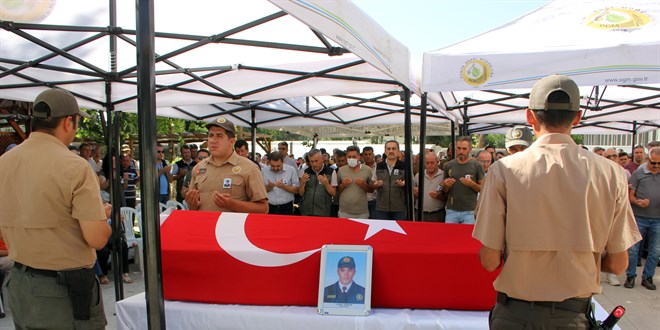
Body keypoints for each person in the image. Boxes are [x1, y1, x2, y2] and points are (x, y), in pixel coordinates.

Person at [473, 75, 641, 329]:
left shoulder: (503, 170)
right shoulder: (611, 173)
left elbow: (489, 261)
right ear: (578, 117)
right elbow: (619, 265)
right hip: (572, 316)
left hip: (514, 314)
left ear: (530, 117)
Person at [0, 88, 112, 329]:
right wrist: (100, 216)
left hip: (20, 282)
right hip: (62, 291)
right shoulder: (75, 166)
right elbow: (97, 238)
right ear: (68, 122)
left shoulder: (4, 163)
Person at [185, 117, 268, 213]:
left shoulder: (249, 168)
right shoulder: (199, 168)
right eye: (211, 135)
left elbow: (263, 208)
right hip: (205, 226)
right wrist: (192, 204)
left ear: (232, 141)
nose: (213, 140)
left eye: (219, 136)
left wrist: (232, 204)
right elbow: (193, 208)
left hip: (233, 227)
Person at [624, 146, 660, 290]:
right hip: (639, 217)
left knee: (655, 251)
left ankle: (648, 277)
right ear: (647, 160)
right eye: (653, 163)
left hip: (658, 219)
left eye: (659, 163)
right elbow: (630, 196)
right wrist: (637, 201)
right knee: (633, 250)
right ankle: (630, 276)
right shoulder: (638, 174)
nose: (656, 166)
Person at [441, 136, 484, 224]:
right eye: (458, 148)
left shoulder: (477, 165)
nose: (461, 152)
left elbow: (483, 189)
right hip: (451, 210)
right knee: (450, 237)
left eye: (464, 149)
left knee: (467, 237)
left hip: (470, 211)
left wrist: (472, 184)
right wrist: (446, 185)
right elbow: (444, 190)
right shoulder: (448, 165)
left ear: (470, 149)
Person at [373, 140, 407, 220]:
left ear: (398, 151)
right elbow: (372, 183)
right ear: (385, 151)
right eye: (388, 149)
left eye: (394, 148)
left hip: (399, 208)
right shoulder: (378, 166)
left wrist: (404, 184)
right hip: (381, 208)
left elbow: (411, 184)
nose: (391, 151)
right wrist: (376, 184)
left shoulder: (404, 166)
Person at [299, 148, 337, 217]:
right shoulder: (305, 171)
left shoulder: (331, 171)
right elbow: (301, 193)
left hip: (323, 212)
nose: (314, 164)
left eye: (316, 161)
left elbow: (333, 193)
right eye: (311, 161)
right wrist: (302, 183)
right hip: (307, 211)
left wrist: (326, 184)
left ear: (322, 158)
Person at [337, 146, 373, 219]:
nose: (351, 159)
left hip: (362, 212)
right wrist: (343, 185)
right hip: (344, 211)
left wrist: (363, 184)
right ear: (346, 157)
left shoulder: (367, 170)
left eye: (354, 156)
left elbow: (371, 190)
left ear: (359, 157)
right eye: (349, 157)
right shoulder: (341, 170)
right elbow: (336, 190)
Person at [414, 152, 445, 222]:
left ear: (438, 162)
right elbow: (413, 196)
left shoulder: (443, 175)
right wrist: (415, 194)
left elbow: (447, 196)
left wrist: (438, 196)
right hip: (420, 214)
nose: (429, 165)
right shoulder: (418, 176)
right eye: (427, 163)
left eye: (432, 163)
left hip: (437, 214)